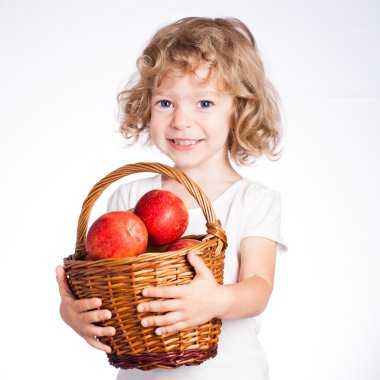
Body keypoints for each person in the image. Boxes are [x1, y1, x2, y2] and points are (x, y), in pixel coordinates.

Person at [56, 16, 287, 380]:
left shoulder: (253, 200)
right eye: (165, 103)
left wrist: (216, 301)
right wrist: (72, 312)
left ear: (239, 110)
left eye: (205, 104)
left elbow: (258, 287)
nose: (181, 120)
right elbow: (105, 275)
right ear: (146, 106)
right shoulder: (130, 194)